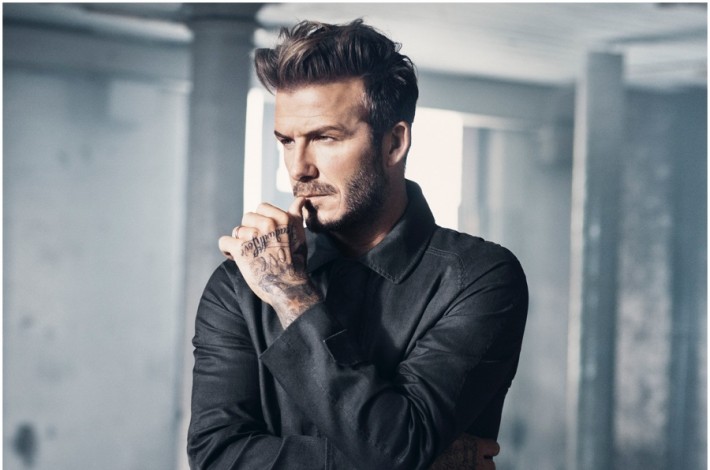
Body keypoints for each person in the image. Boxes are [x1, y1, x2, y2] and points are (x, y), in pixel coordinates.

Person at [187, 19, 528, 470]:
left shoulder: (478, 277)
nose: (299, 168)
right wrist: (428, 461)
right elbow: (215, 456)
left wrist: (292, 297)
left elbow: (399, 448)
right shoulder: (239, 283)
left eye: (325, 138)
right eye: (287, 141)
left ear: (394, 143)